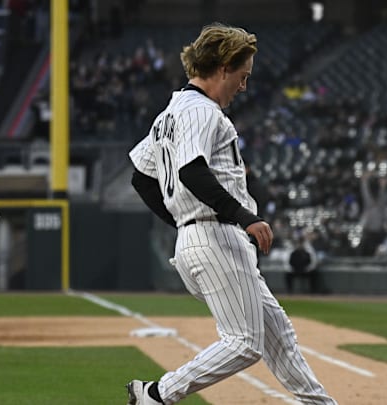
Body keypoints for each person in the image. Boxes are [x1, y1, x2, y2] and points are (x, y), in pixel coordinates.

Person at [126, 23, 337, 405]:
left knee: (278, 336)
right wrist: (244, 216)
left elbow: (142, 178)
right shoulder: (201, 111)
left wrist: (181, 222)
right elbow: (191, 171)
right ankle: (157, 394)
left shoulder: (170, 114)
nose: (243, 86)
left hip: (200, 235)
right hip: (216, 237)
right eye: (242, 75)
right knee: (244, 342)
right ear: (223, 67)